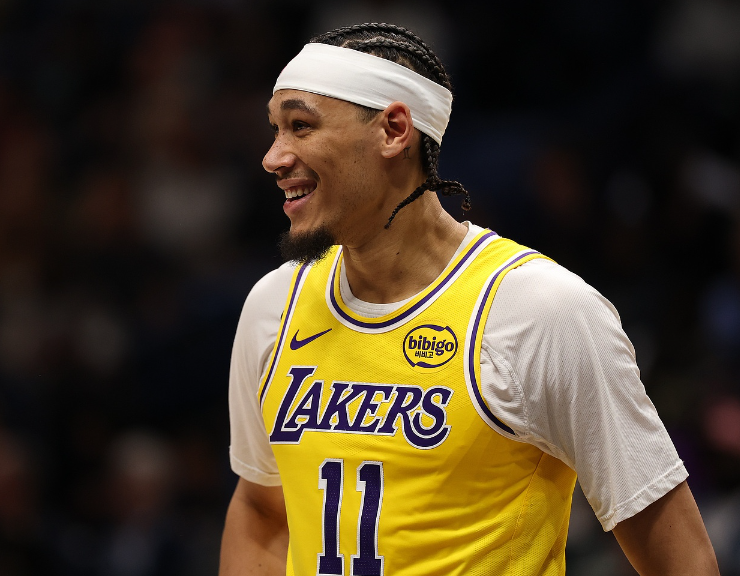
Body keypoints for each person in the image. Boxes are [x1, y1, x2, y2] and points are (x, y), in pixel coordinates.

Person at [219, 23, 720, 576]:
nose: (273, 157)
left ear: (393, 131)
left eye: (301, 126)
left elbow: (683, 561)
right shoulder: (274, 303)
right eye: (275, 130)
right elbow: (262, 512)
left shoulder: (542, 312)